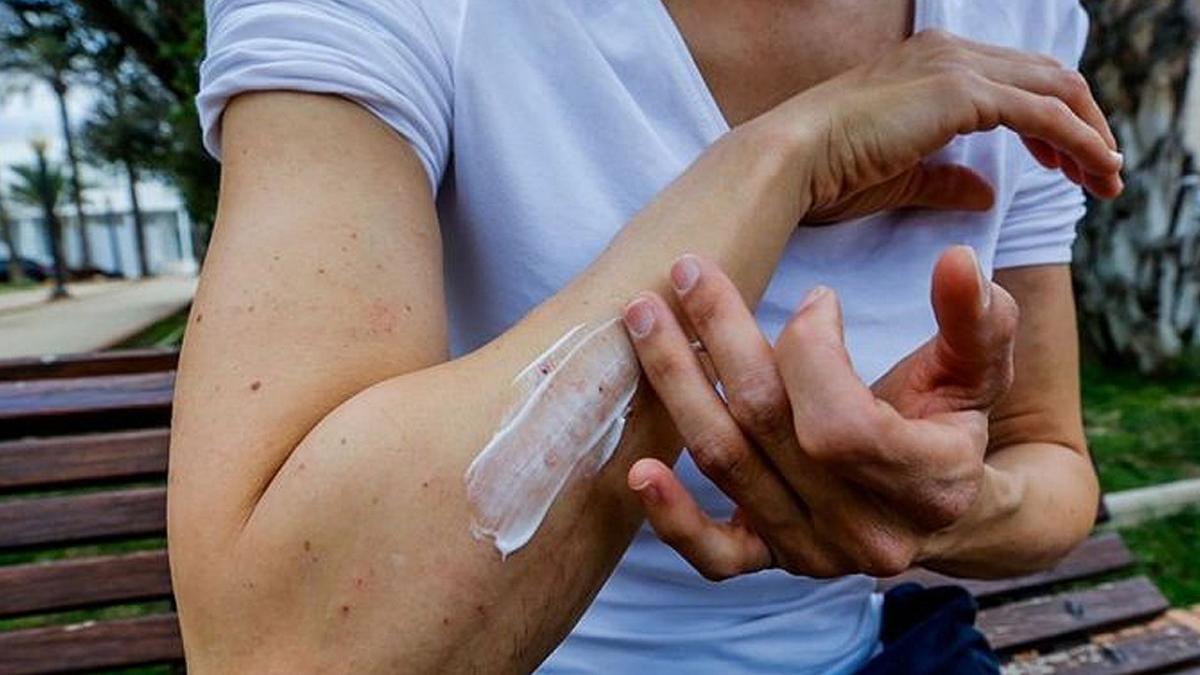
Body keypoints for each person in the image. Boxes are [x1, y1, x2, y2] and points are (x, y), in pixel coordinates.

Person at [171, 0, 1122, 672]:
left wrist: (942, 503)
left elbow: (1054, 463)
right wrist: (786, 156)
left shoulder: (1018, 23)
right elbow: (280, 647)